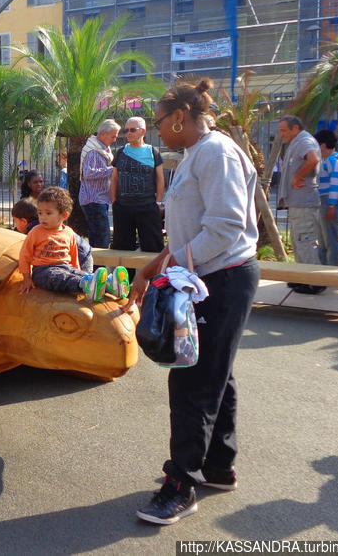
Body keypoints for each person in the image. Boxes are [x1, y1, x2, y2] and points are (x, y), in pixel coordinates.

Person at [126, 79, 259, 526]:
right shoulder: (194, 155)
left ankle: (180, 483)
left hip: (221, 279)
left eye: (160, 122)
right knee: (216, 370)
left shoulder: (215, 152)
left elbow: (224, 227)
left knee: (192, 379)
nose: (157, 131)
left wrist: (172, 267)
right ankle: (219, 466)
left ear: (179, 118)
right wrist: (153, 267)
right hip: (206, 277)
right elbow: (190, 231)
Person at [17, 186, 128, 301]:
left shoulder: (68, 232)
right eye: (40, 213)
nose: (42, 217)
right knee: (61, 278)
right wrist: (27, 278)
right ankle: (87, 285)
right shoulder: (35, 232)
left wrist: (77, 270)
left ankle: (111, 285)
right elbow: (24, 256)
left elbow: (74, 255)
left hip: (66, 266)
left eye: (48, 213)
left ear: (64, 215)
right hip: (43, 271)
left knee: (78, 274)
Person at [277, 116, 323, 294]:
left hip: (304, 201)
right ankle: (303, 278)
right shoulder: (298, 141)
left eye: (284, 131)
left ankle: (315, 281)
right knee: (298, 241)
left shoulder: (304, 141)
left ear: (295, 128)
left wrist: (297, 176)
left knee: (305, 240)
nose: (282, 135)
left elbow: (313, 159)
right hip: (298, 202)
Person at [110, 117, 165, 254]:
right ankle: (124, 276)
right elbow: (114, 178)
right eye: (126, 130)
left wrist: (158, 202)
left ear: (143, 132)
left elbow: (160, 178)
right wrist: (114, 201)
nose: (128, 133)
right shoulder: (121, 152)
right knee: (122, 248)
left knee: (153, 247)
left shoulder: (153, 152)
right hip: (122, 207)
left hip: (147, 207)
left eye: (133, 130)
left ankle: (154, 276)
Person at [80, 119, 121, 248]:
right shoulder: (93, 151)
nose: (114, 139)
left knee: (99, 237)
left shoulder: (103, 149)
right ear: (103, 134)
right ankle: (98, 267)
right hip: (94, 199)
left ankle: (96, 266)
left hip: (99, 199)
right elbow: (88, 173)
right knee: (101, 238)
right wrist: (112, 170)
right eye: (113, 136)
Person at [313, 130, 338, 268]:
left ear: (322, 145)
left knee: (330, 239)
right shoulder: (334, 159)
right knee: (324, 239)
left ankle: (336, 269)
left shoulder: (333, 161)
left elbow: (336, 183)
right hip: (327, 202)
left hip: (329, 202)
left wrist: (332, 205)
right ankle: (324, 269)